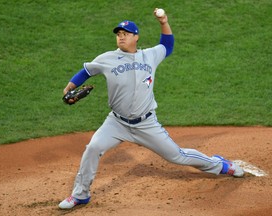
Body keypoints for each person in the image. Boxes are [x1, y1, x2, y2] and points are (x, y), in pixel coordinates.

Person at [59, 8, 244, 210]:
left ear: (136, 37)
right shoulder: (107, 58)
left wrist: (163, 22)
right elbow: (87, 70)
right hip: (116, 122)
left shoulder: (150, 56)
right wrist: (70, 86)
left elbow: (168, 45)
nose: (121, 38)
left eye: (125, 34)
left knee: (177, 156)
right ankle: (80, 195)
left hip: (146, 123)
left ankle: (221, 165)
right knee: (93, 148)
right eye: (119, 35)